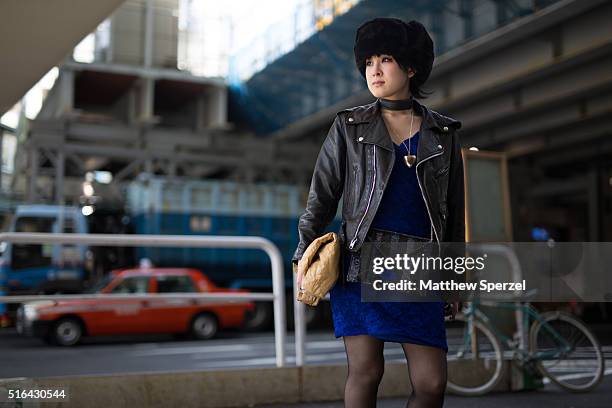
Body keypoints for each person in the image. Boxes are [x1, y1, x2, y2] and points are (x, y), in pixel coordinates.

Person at [292, 17, 465, 407]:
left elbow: (453, 212)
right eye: (369, 61)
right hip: (360, 263)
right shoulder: (348, 127)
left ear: (410, 67)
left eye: (385, 59)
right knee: (366, 372)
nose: (375, 69)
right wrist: (303, 256)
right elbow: (320, 199)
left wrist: (455, 278)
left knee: (431, 382)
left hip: (420, 267)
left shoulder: (443, 134)